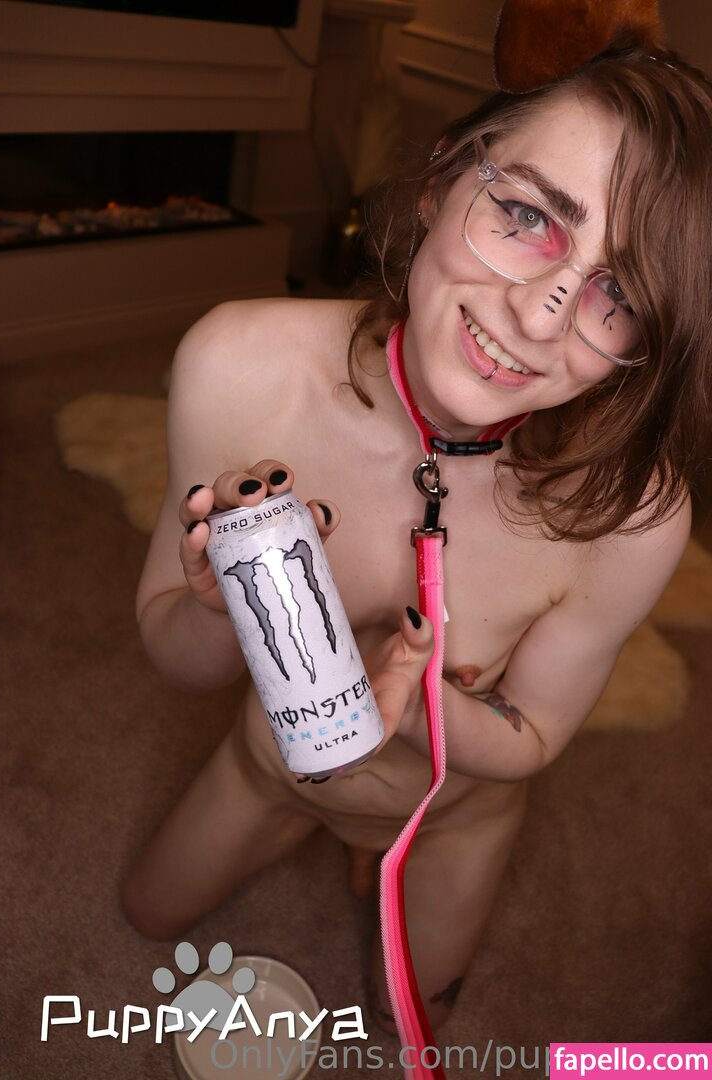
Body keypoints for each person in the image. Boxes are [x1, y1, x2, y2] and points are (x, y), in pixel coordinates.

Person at [122, 44, 712, 1033]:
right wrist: (222, 610)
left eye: (622, 295)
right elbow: (172, 655)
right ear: (443, 178)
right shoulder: (239, 363)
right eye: (527, 215)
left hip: (452, 820)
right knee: (145, 913)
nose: (538, 319)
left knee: (415, 1026)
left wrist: (403, 710)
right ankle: (309, 831)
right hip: (268, 767)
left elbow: (531, 738)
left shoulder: (638, 516)